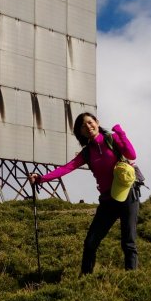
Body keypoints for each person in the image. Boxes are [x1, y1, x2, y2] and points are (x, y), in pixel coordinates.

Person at [29, 112, 140, 274]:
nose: (88, 127)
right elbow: (67, 168)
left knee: (128, 242)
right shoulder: (87, 153)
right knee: (90, 242)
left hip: (127, 193)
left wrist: (120, 133)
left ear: (97, 122)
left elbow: (131, 154)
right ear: (80, 132)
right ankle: (85, 280)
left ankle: (132, 280)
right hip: (108, 200)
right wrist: (41, 178)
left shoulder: (111, 138)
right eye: (83, 126)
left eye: (90, 122)